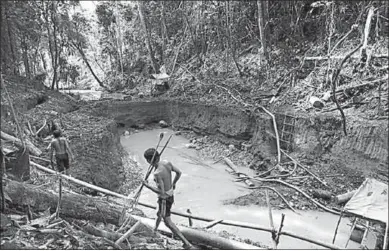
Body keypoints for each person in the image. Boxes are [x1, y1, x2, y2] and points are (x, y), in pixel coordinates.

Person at [142, 148, 194, 249]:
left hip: (164, 199)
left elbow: (161, 192)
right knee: (159, 214)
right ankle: (155, 230)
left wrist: (147, 186)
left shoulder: (157, 173)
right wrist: (173, 183)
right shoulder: (166, 163)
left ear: (149, 161)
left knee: (168, 222)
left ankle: (186, 243)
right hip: (171, 195)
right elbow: (179, 172)